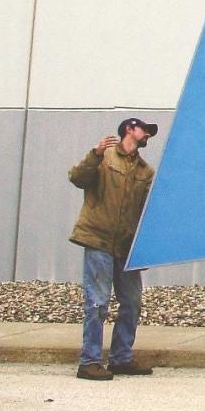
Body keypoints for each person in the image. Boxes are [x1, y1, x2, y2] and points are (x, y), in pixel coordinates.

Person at [67, 117, 158, 380]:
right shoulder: (104, 157)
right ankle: (89, 362)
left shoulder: (145, 171)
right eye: (145, 131)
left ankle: (121, 358)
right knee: (97, 302)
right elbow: (77, 178)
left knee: (132, 302)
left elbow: (147, 211)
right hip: (98, 240)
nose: (148, 136)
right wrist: (94, 154)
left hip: (127, 246)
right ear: (129, 129)